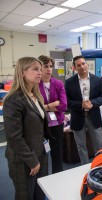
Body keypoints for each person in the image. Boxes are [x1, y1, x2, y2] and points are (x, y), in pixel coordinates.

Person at [3, 57, 52, 200]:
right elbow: (13, 137)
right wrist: (32, 160)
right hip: (23, 159)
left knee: (39, 193)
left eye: (40, 69)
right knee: (25, 195)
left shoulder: (36, 96)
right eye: (35, 69)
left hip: (41, 153)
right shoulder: (13, 99)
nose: (40, 72)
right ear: (22, 72)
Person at [65, 55, 102, 165]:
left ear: (87, 64)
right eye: (78, 65)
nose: (82, 66)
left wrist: (92, 103)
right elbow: (66, 102)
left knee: (99, 144)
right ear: (74, 68)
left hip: (94, 116)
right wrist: (80, 105)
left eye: (83, 63)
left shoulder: (97, 80)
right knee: (81, 146)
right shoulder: (69, 82)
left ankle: (101, 166)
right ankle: (84, 166)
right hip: (78, 117)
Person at [38, 55, 67, 174]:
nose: (49, 69)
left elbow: (64, 106)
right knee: (41, 151)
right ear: (40, 68)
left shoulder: (58, 83)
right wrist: (52, 105)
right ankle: (42, 177)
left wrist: (44, 107)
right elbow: (35, 108)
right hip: (41, 122)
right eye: (46, 66)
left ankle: (57, 176)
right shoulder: (35, 84)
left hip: (57, 122)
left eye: (51, 66)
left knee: (57, 152)